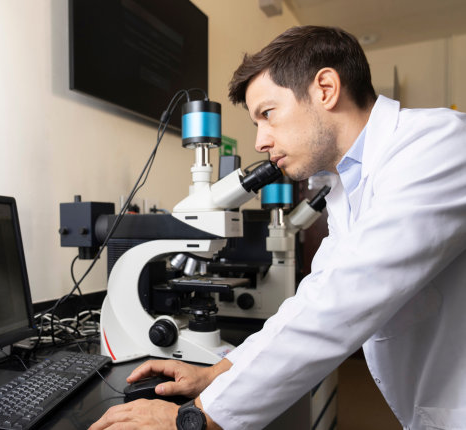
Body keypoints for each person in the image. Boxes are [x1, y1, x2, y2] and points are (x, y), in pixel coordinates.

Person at [90, 26, 466, 430]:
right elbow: (315, 299)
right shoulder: (348, 185)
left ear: (325, 88)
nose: (259, 142)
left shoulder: (439, 145)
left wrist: (194, 418)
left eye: (267, 114)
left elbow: (341, 304)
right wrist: (220, 372)